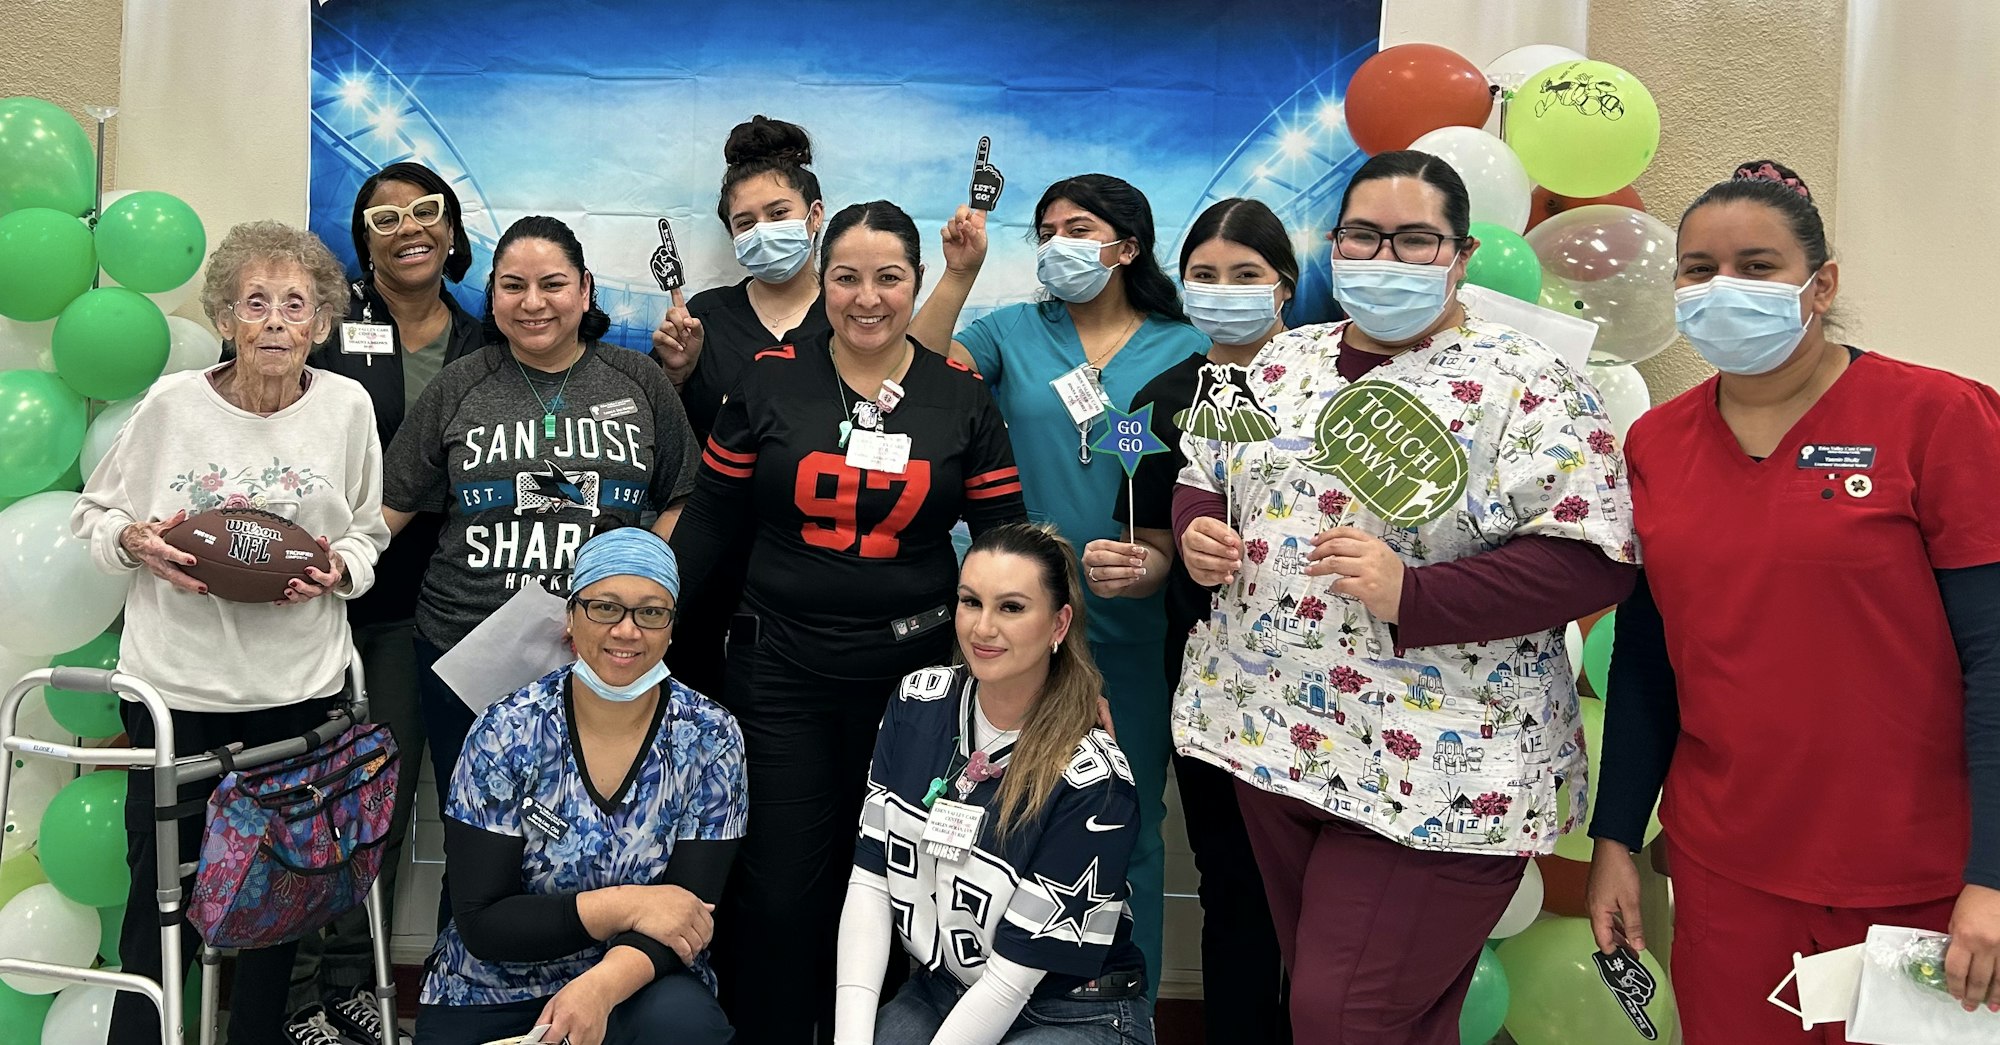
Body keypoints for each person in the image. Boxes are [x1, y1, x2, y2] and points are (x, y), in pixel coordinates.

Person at [1170, 150, 1637, 1043]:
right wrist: (1198, 529)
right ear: (1333, 246)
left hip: (1436, 765)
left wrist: (1417, 592)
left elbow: (1595, 557)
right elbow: (1206, 469)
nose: (1383, 259)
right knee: (1359, 1000)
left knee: (1343, 1013)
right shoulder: (1279, 362)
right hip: (1271, 737)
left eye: (1414, 239)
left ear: (1460, 255)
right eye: (1362, 236)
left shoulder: (1524, 380)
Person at [1587, 160, 2000, 1039]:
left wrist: (1994, 876)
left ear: (1823, 285)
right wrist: (1616, 834)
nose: (1721, 287)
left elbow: (1997, 660)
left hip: (1924, 879)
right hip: (1729, 871)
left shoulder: (1940, 418)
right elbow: (1649, 657)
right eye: (1698, 269)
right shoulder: (1658, 442)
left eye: (1757, 265)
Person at [669, 199, 1025, 1044]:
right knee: (784, 884)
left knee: (913, 883)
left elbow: (1007, 544)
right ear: (822, 281)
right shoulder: (766, 377)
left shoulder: (959, 398)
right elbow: (713, 519)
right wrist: (654, 616)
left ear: (917, 283)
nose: (868, 297)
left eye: (890, 277)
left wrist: (1046, 663)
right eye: (847, 277)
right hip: (781, 669)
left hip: (922, 684)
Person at [70, 220, 390, 1045]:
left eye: (296, 304)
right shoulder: (173, 406)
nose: (276, 320)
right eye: (256, 303)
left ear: (322, 323)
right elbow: (96, 516)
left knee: (279, 900)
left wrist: (340, 571)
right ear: (225, 317)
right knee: (159, 898)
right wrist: (138, 541)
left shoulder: (347, 406)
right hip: (178, 691)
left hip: (297, 693)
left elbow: (365, 530)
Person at [908, 174, 1210, 988]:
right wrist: (959, 276)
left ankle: (1123, 1006)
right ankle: (999, 999)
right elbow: (918, 370)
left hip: (1131, 622)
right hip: (1017, 623)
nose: (1057, 244)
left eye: (1079, 228)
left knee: (1131, 822)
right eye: (1045, 231)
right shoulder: (1013, 331)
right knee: (1004, 820)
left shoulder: (1186, 348)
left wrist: (1164, 559)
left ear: (1129, 246)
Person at [382, 214, 699, 829]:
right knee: (479, 838)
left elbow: (686, 498)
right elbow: (388, 510)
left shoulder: (640, 383)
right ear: (492, 295)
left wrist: (628, 585)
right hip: (467, 648)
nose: (533, 303)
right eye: (512, 286)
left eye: (552, 285)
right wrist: (323, 561)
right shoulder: (457, 387)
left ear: (584, 290)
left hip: (610, 649)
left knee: (597, 832)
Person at [1084, 197, 1294, 1044]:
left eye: (1246, 275)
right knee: (1235, 884)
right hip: (1213, 682)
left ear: (1286, 286)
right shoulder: (1166, 396)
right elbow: (1150, 540)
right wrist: (1141, 568)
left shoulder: (1336, 386)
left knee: (1334, 895)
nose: (1224, 291)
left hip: (1348, 686)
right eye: (1205, 275)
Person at [286, 160, 486, 1040]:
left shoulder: (489, 343)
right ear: (362, 238)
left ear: (451, 232)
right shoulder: (322, 330)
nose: (409, 228)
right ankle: (307, 994)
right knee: (318, 801)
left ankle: (367, 986)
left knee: (396, 798)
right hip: (311, 606)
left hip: (429, 607)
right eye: (385, 216)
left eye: (426, 212)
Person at [413, 525, 744, 1045]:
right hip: (492, 988)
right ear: (570, 616)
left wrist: (598, 989)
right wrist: (629, 905)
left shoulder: (710, 736)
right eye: (604, 607)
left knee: (685, 1025)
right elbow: (483, 923)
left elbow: (688, 919)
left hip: (638, 982)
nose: (627, 630)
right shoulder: (506, 730)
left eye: (650, 612)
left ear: (672, 627)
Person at [834, 522, 1152, 1045]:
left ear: (1058, 623)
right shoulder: (919, 702)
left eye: (1011, 607)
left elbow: (1011, 980)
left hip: (1071, 1008)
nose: (982, 628)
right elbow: (870, 882)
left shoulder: (1096, 779)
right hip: (945, 990)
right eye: (969, 601)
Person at [651, 114, 832, 702]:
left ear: (815, 214)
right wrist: (675, 375)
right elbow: (667, 442)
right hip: (714, 558)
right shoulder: (705, 315)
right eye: (744, 222)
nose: (762, 231)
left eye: (778, 214)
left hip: (820, 566)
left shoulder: (852, 315)